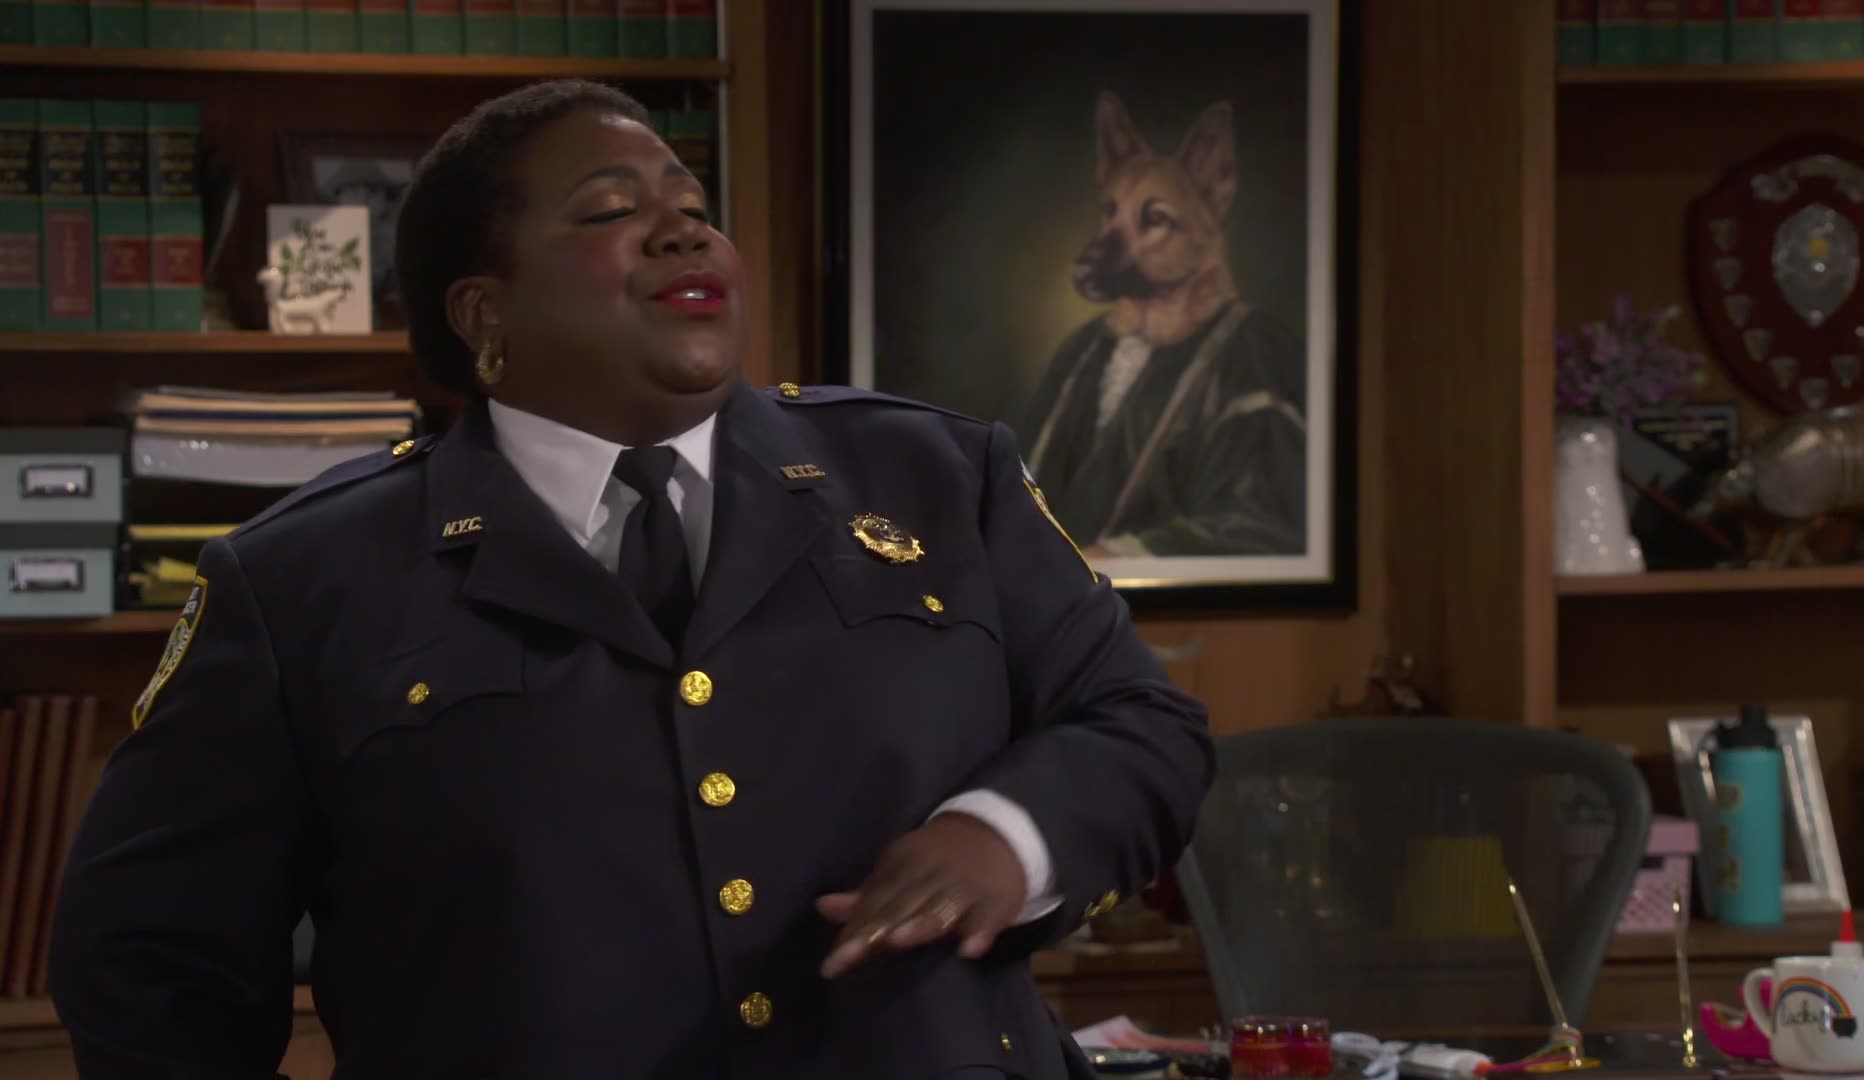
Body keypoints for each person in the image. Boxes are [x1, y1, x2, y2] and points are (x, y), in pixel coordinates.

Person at [48, 79, 1215, 1079]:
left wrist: (1008, 836)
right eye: (611, 211)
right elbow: (151, 963)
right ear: (484, 311)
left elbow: (1143, 723)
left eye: (694, 211)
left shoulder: (937, 477)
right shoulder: (302, 580)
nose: (681, 235)